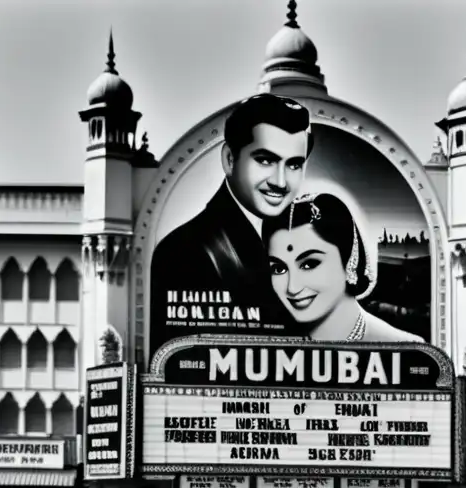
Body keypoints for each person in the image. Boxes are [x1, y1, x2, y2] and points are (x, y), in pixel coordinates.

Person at [148, 94, 312, 351]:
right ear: (229, 159)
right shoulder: (183, 252)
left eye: (293, 165)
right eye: (265, 160)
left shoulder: (301, 235)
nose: (280, 182)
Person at [263, 193, 422, 342]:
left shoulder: (406, 350)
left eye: (309, 264)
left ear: (349, 261)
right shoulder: (266, 351)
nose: (292, 287)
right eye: (279, 269)